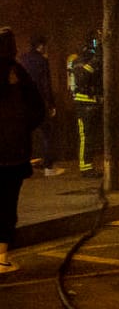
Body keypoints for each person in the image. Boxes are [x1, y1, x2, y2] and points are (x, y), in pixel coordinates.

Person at [0, 28, 49, 273]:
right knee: (7, 205)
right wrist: (21, 128)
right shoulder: (18, 73)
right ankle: (1, 259)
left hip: (12, 152)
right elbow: (38, 109)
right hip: (13, 155)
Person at [18, 34, 60, 175]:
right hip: (39, 101)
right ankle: (48, 167)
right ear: (41, 46)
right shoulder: (42, 61)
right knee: (47, 133)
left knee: (24, 135)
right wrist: (51, 104)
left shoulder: (22, 59)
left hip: (23, 102)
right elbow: (46, 84)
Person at [67, 34, 102, 176]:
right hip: (83, 102)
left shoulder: (94, 60)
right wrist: (95, 61)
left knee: (91, 137)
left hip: (94, 101)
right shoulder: (78, 60)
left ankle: (89, 164)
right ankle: (85, 167)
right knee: (85, 136)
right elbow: (82, 78)